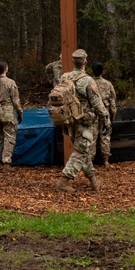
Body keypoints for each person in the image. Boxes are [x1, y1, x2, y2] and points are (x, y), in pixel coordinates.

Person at [55, 49, 110, 192]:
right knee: (81, 151)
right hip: (84, 122)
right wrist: (106, 120)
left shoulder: (64, 77)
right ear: (85, 62)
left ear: (74, 62)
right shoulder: (88, 81)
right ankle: (63, 182)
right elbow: (97, 103)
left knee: (83, 150)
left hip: (70, 121)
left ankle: (93, 181)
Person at [0, 61, 23, 172]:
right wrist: (20, 112)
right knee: (9, 138)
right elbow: (15, 101)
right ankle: (6, 164)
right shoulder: (10, 83)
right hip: (7, 113)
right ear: (6, 69)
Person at [91, 61, 117, 166]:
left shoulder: (89, 83)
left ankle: (90, 161)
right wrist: (112, 115)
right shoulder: (108, 84)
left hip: (93, 113)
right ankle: (106, 160)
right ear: (103, 71)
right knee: (105, 136)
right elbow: (112, 102)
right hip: (105, 112)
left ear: (92, 71)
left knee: (92, 137)